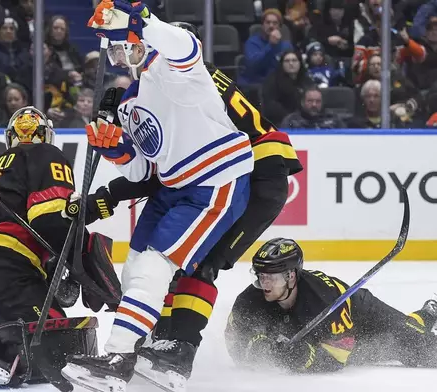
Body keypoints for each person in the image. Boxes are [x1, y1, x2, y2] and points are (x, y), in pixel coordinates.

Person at [62, 2, 254, 391]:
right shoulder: (130, 101)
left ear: (140, 42)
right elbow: (142, 170)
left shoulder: (177, 69)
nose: (116, 58)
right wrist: (116, 150)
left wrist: (142, 21)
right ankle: (144, 350)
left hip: (213, 183)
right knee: (134, 270)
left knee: (154, 266)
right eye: (111, 51)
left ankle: (117, 357)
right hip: (171, 187)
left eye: (120, 47)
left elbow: (184, 45)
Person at [0, 106, 121, 389]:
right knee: (58, 342)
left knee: (1, 320)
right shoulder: (47, 155)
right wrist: (84, 265)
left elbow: (41, 220)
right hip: (4, 272)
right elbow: (50, 220)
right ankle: (3, 355)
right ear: (46, 135)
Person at [225, 237, 437, 372]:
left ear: (291, 276)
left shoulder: (322, 300)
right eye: (260, 276)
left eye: (271, 277)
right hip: (330, 333)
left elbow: (338, 358)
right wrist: (257, 346)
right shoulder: (249, 301)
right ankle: (427, 313)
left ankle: (427, 314)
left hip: (361, 313)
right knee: (377, 350)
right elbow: (235, 341)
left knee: (421, 350)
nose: (264, 283)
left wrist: (304, 358)